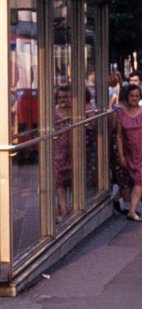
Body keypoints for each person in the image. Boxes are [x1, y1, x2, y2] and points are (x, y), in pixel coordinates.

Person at [115, 83, 142, 221]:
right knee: (139, 182)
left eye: (137, 96)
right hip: (130, 153)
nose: (134, 98)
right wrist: (121, 155)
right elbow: (119, 135)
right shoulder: (121, 114)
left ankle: (131, 210)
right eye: (131, 96)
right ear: (127, 97)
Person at [53, 84, 74, 219]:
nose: (63, 100)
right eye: (60, 97)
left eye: (66, 97)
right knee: (58, 183)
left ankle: (69, 210)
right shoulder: (53, 112)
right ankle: (64, 210)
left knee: (72, 181)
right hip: (58, 154)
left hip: (74, 152)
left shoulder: (75, 111)